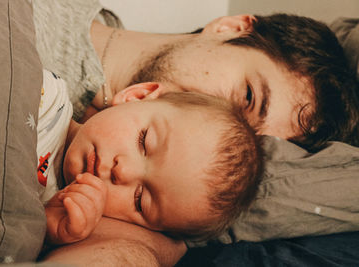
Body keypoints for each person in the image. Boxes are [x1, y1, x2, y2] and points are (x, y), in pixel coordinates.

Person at [32, 1, 359, 266]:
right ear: (231, 28)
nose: (220, 118)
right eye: (247, 97)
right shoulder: (48, 26)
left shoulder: (115, 199)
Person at [38, 70, 263, 246]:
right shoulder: (46, 96)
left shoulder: (61, 217)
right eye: (143, 142)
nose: (122, 171)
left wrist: (46, 231)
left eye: (140, 199)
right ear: (137, 97)